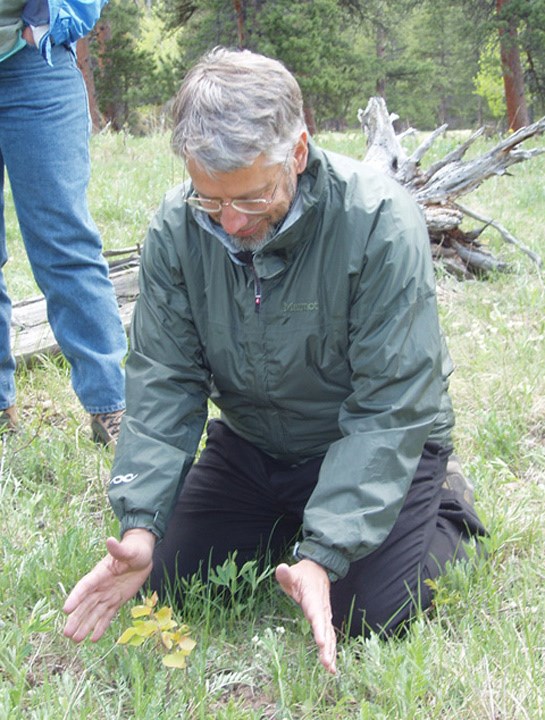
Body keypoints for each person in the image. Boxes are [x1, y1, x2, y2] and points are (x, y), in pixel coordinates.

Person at [63, 47, 486, 673]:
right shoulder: (178, 230)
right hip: (256, 445)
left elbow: (391, 405)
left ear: (297, 151)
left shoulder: (378, 223)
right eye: (212, 201)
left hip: (373, 440)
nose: (230, 222)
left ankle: (442, 504)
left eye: (252, 199)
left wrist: (327, 552)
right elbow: (164, 380)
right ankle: (297, 524)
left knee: (369, 613)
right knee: (167, 577)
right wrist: (140, 527)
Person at [0, 0, 126, 444]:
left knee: (64, 242)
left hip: (33, 64)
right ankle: (0, 410)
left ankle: (110, 405)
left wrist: (49, 24)